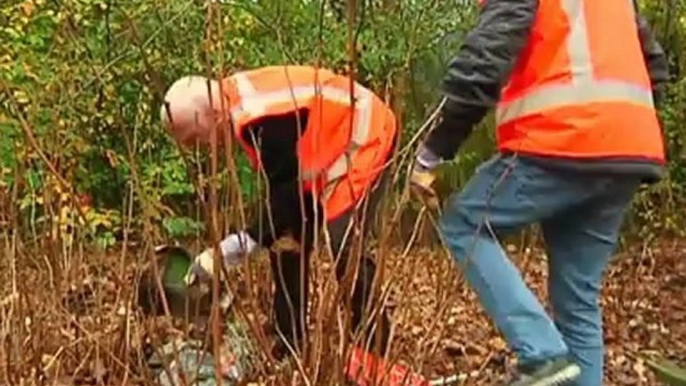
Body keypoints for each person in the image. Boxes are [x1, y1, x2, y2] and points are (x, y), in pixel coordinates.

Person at [409, 0, 669, 385]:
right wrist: (622, 129)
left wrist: (433, 150)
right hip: (630, 149)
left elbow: (484, 59)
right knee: (578, 301)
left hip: (562, 139)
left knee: (465, 223)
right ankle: (553, 358)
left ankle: (541, 352)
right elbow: (656, 68)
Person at [159, 65, 397, 361]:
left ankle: (373, 348)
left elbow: (284, 200)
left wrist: (227, 251)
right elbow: (285, 195)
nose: (203, 149)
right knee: (286, 240)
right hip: (327, 154)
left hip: (363, 134)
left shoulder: (262, 118)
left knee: (343, 243)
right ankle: (290, 341)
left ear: (214, 116)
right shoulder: (235, 101)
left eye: (196, 139)